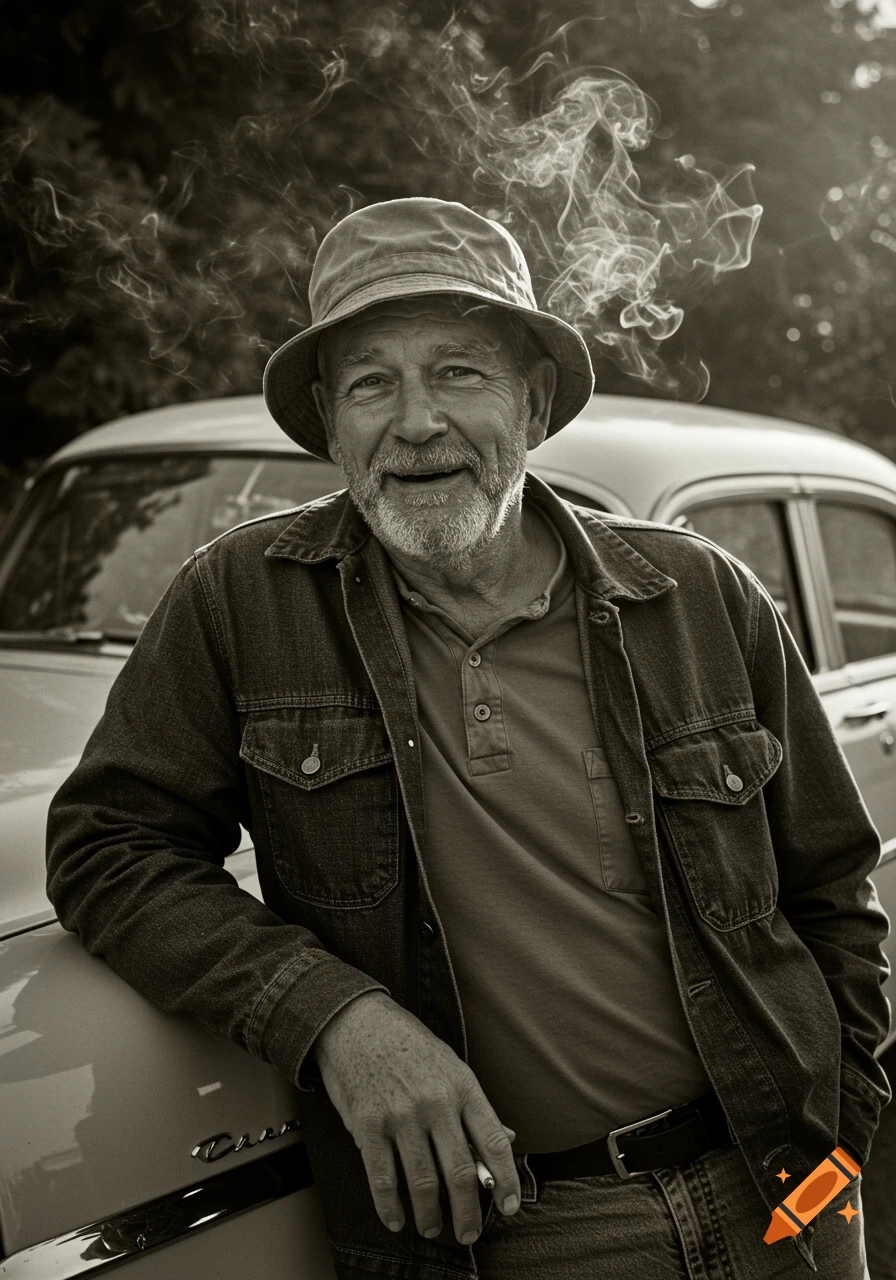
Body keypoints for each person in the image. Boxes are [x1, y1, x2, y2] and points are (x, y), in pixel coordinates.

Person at [46, 197, 890, 1280]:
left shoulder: (694, 594)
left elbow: (830, 891)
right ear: (329, 422)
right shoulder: (239, 604)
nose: (415, 422)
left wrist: (842, 1133)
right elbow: (108, 846)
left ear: (530, 404)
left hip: (775, 1193)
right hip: (502, 1240)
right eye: (370, 384)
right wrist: (339, 1018)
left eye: (457, 372)